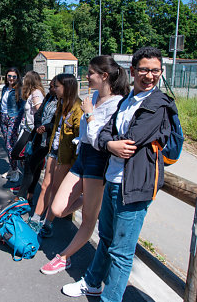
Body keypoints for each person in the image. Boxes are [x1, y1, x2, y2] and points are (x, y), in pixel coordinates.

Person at [61, 47, 177, 301]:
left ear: (161, 72)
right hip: (112, 178)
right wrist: (110, 144)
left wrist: (110, 142)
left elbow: (131, 140)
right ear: (133, 71)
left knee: (121, 253)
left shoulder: (157, 104)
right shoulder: (127, 101)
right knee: (106, 238)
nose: (149, 75)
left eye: (155, 70)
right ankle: (92, 282)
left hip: (134, 186)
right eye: (144, 70)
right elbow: (105, 134)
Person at [39, 55, 129, 275]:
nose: (86, 76)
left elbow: (98, 137)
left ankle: (64, 258)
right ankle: (91, 203)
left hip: (99, 160)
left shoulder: (117, 103)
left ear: (104, 76)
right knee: (58, 209)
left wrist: (89, 114)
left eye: (90, 72)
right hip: (83, 157)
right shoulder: (95, 95)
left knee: (88, 220)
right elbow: (85, 135)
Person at [36, 73, 82, 238]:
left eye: (57, 86)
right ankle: (35, 219)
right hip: (54, 150)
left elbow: (79, 139)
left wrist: (73, 163)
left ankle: (47, 224)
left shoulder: (78, 109)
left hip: (65, 156)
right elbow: (56, 129)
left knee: (56, 188)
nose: (54, 89)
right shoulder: (61, 103)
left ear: (67, 87)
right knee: (45, 186)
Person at [15, 77, 57, 205]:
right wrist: (38, 125)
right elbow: (39, 113)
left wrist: (46, 127)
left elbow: (57, 121)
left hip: (48, 139)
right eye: (49, 87)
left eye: (52, 87)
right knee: (34, 165)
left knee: (31, 165)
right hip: (37, 134)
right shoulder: (49, 97)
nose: (49, 89)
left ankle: (20, 197)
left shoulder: (63, 102)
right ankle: (29, 195)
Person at [10, 70, 45, 168]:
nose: (23, 80)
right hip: (28, 128)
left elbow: (40, 112)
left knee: (17, 153)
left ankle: (36, 163)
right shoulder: (33, 93)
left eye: (25, 78)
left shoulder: (36, 94)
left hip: (32, 130)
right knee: (23, 156)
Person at [0, 67, 24, 182]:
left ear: (17, 78)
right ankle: (12, 168)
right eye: (9, 76)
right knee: (8, 145)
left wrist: (17, 118)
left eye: (14, 77)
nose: (11, 79)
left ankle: (15, 170)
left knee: (9, 145)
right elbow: (1, 101)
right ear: (6, 76)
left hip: (13, 118)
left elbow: (23, 106)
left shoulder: (19, 89)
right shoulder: (4, 88)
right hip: (3, 117)